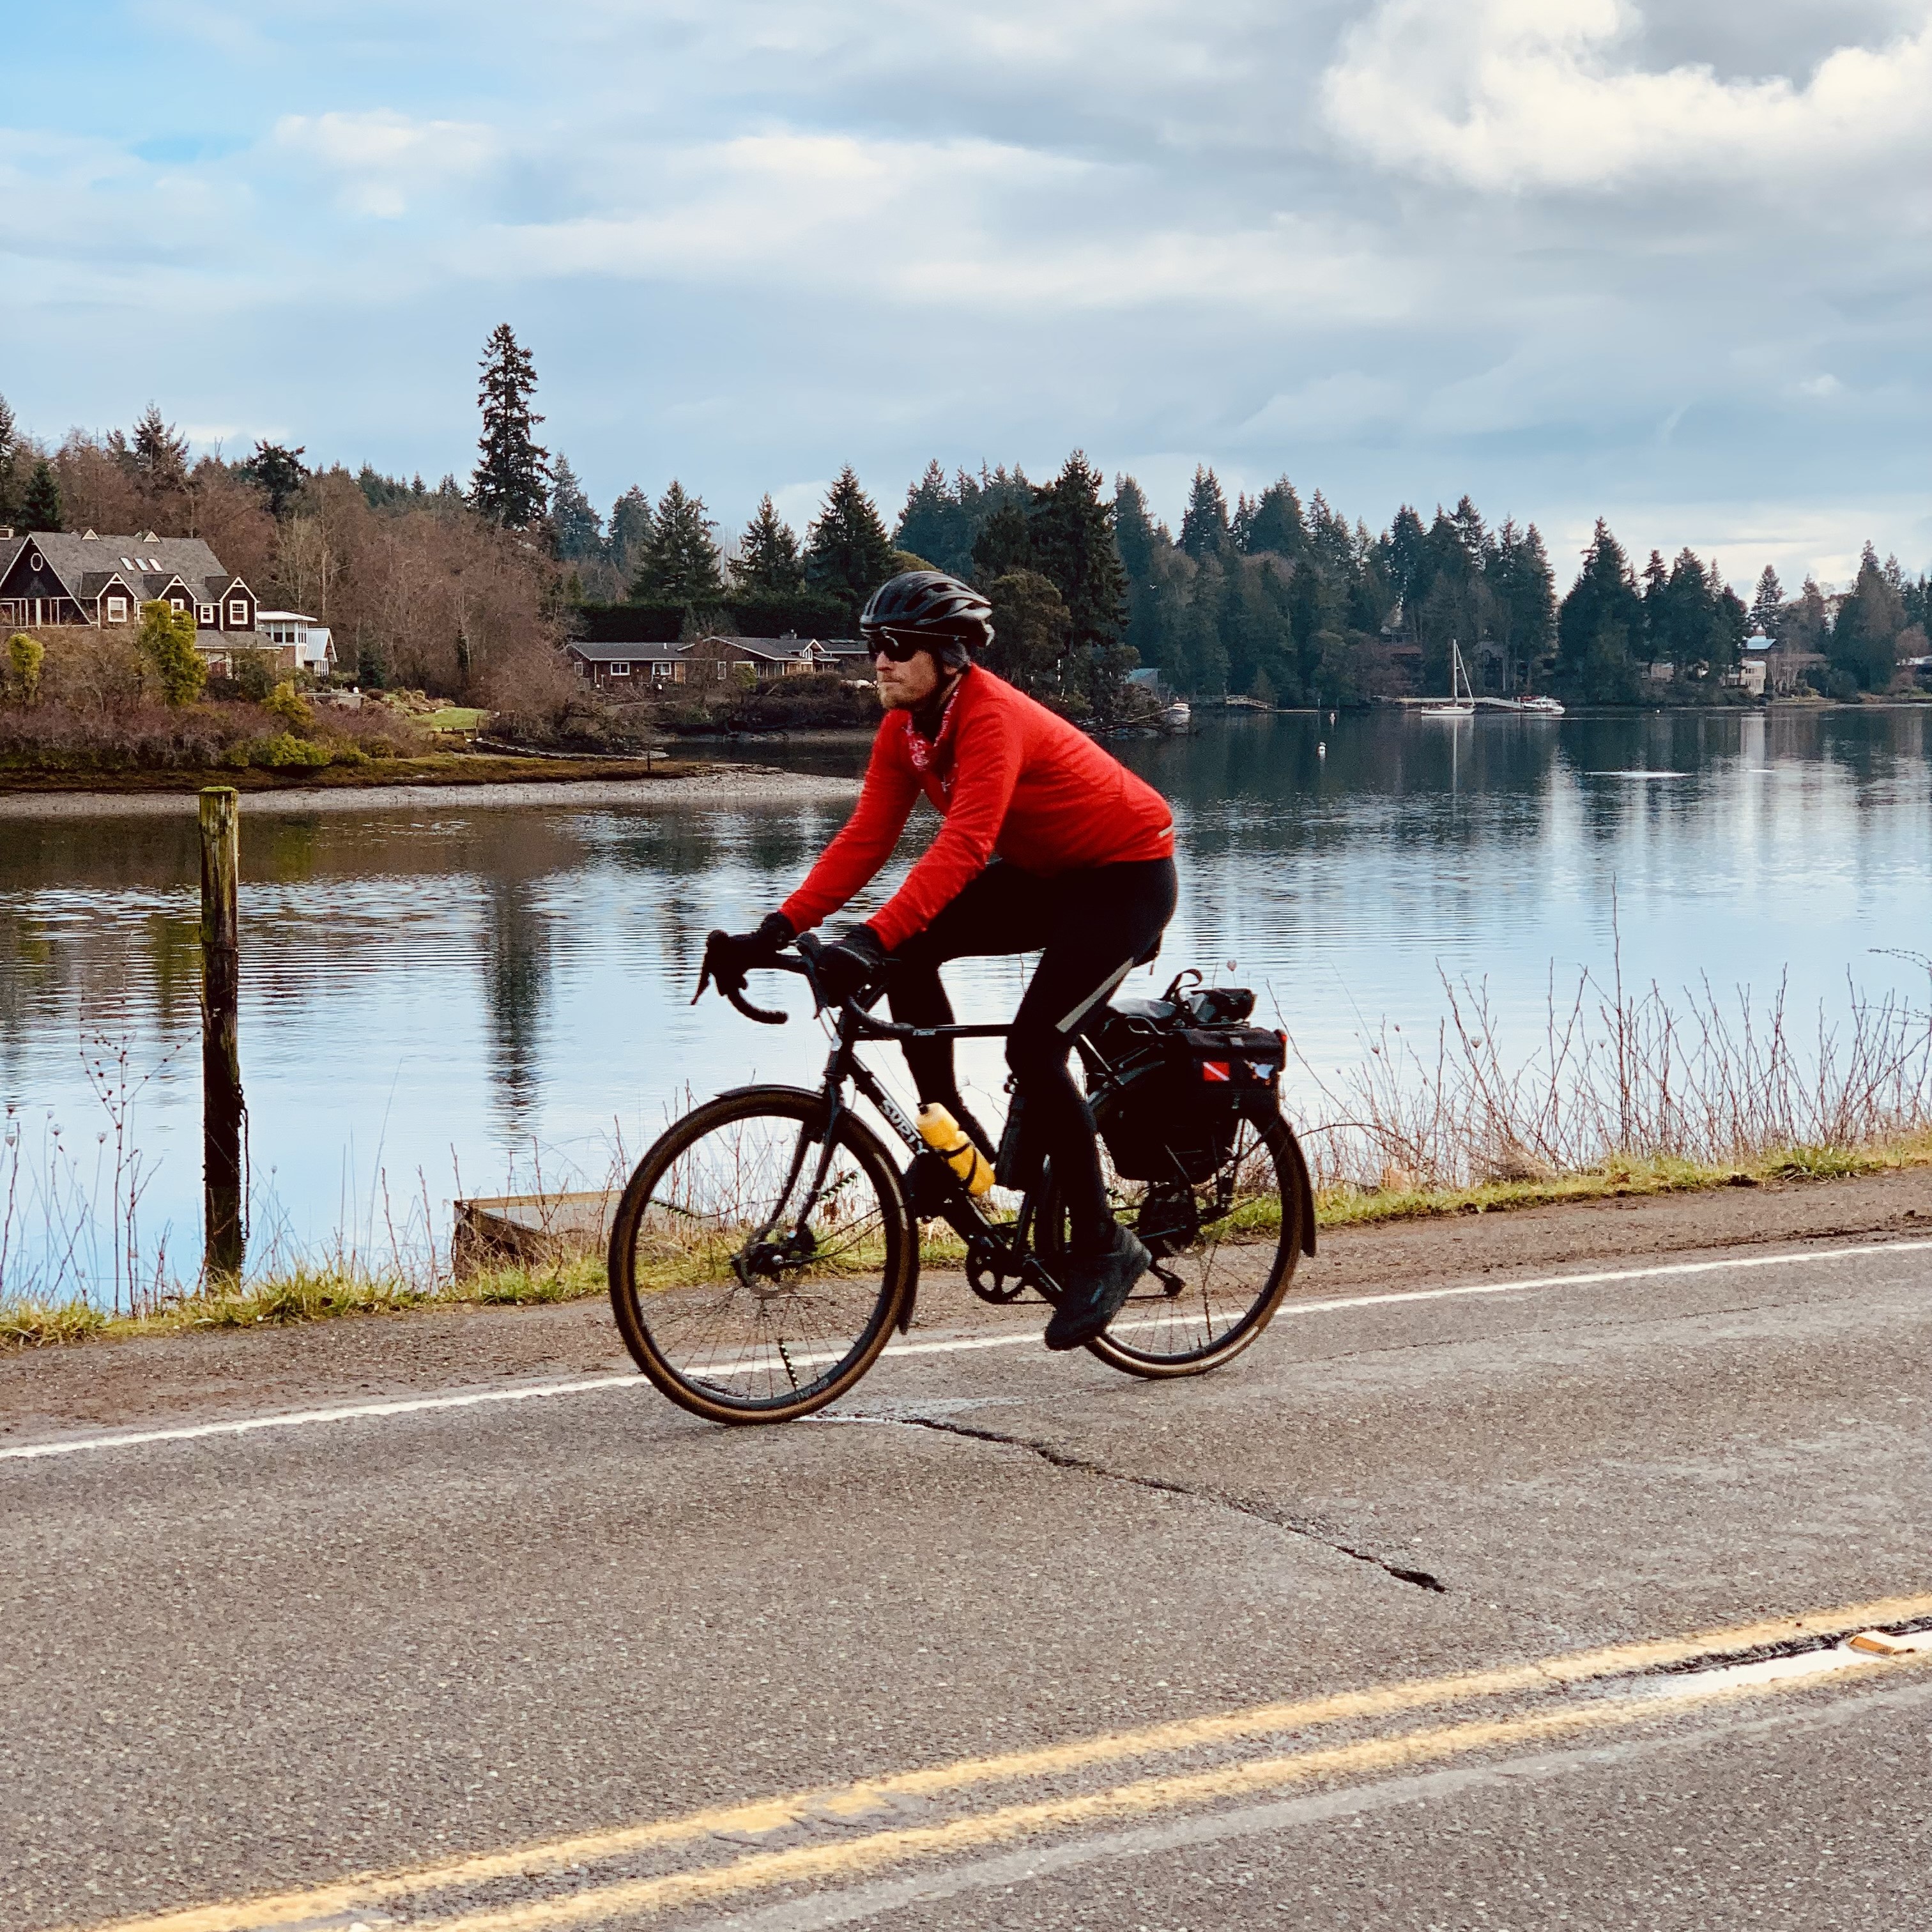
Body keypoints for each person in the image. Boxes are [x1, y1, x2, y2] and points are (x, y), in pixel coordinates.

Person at [703, 570, 1177, 1351]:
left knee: (1033, 1046)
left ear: (951, 655)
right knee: (905, 951)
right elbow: (866, 840)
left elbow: (964, 846)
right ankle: (949, 1136)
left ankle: (1104, 1244)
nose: (879, 662)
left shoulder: (991, 718)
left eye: (897, 649)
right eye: (873, 647)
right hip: (1046, 874)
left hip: (1124, 878)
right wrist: (771, 933)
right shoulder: (907, 732)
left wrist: (868, 940)